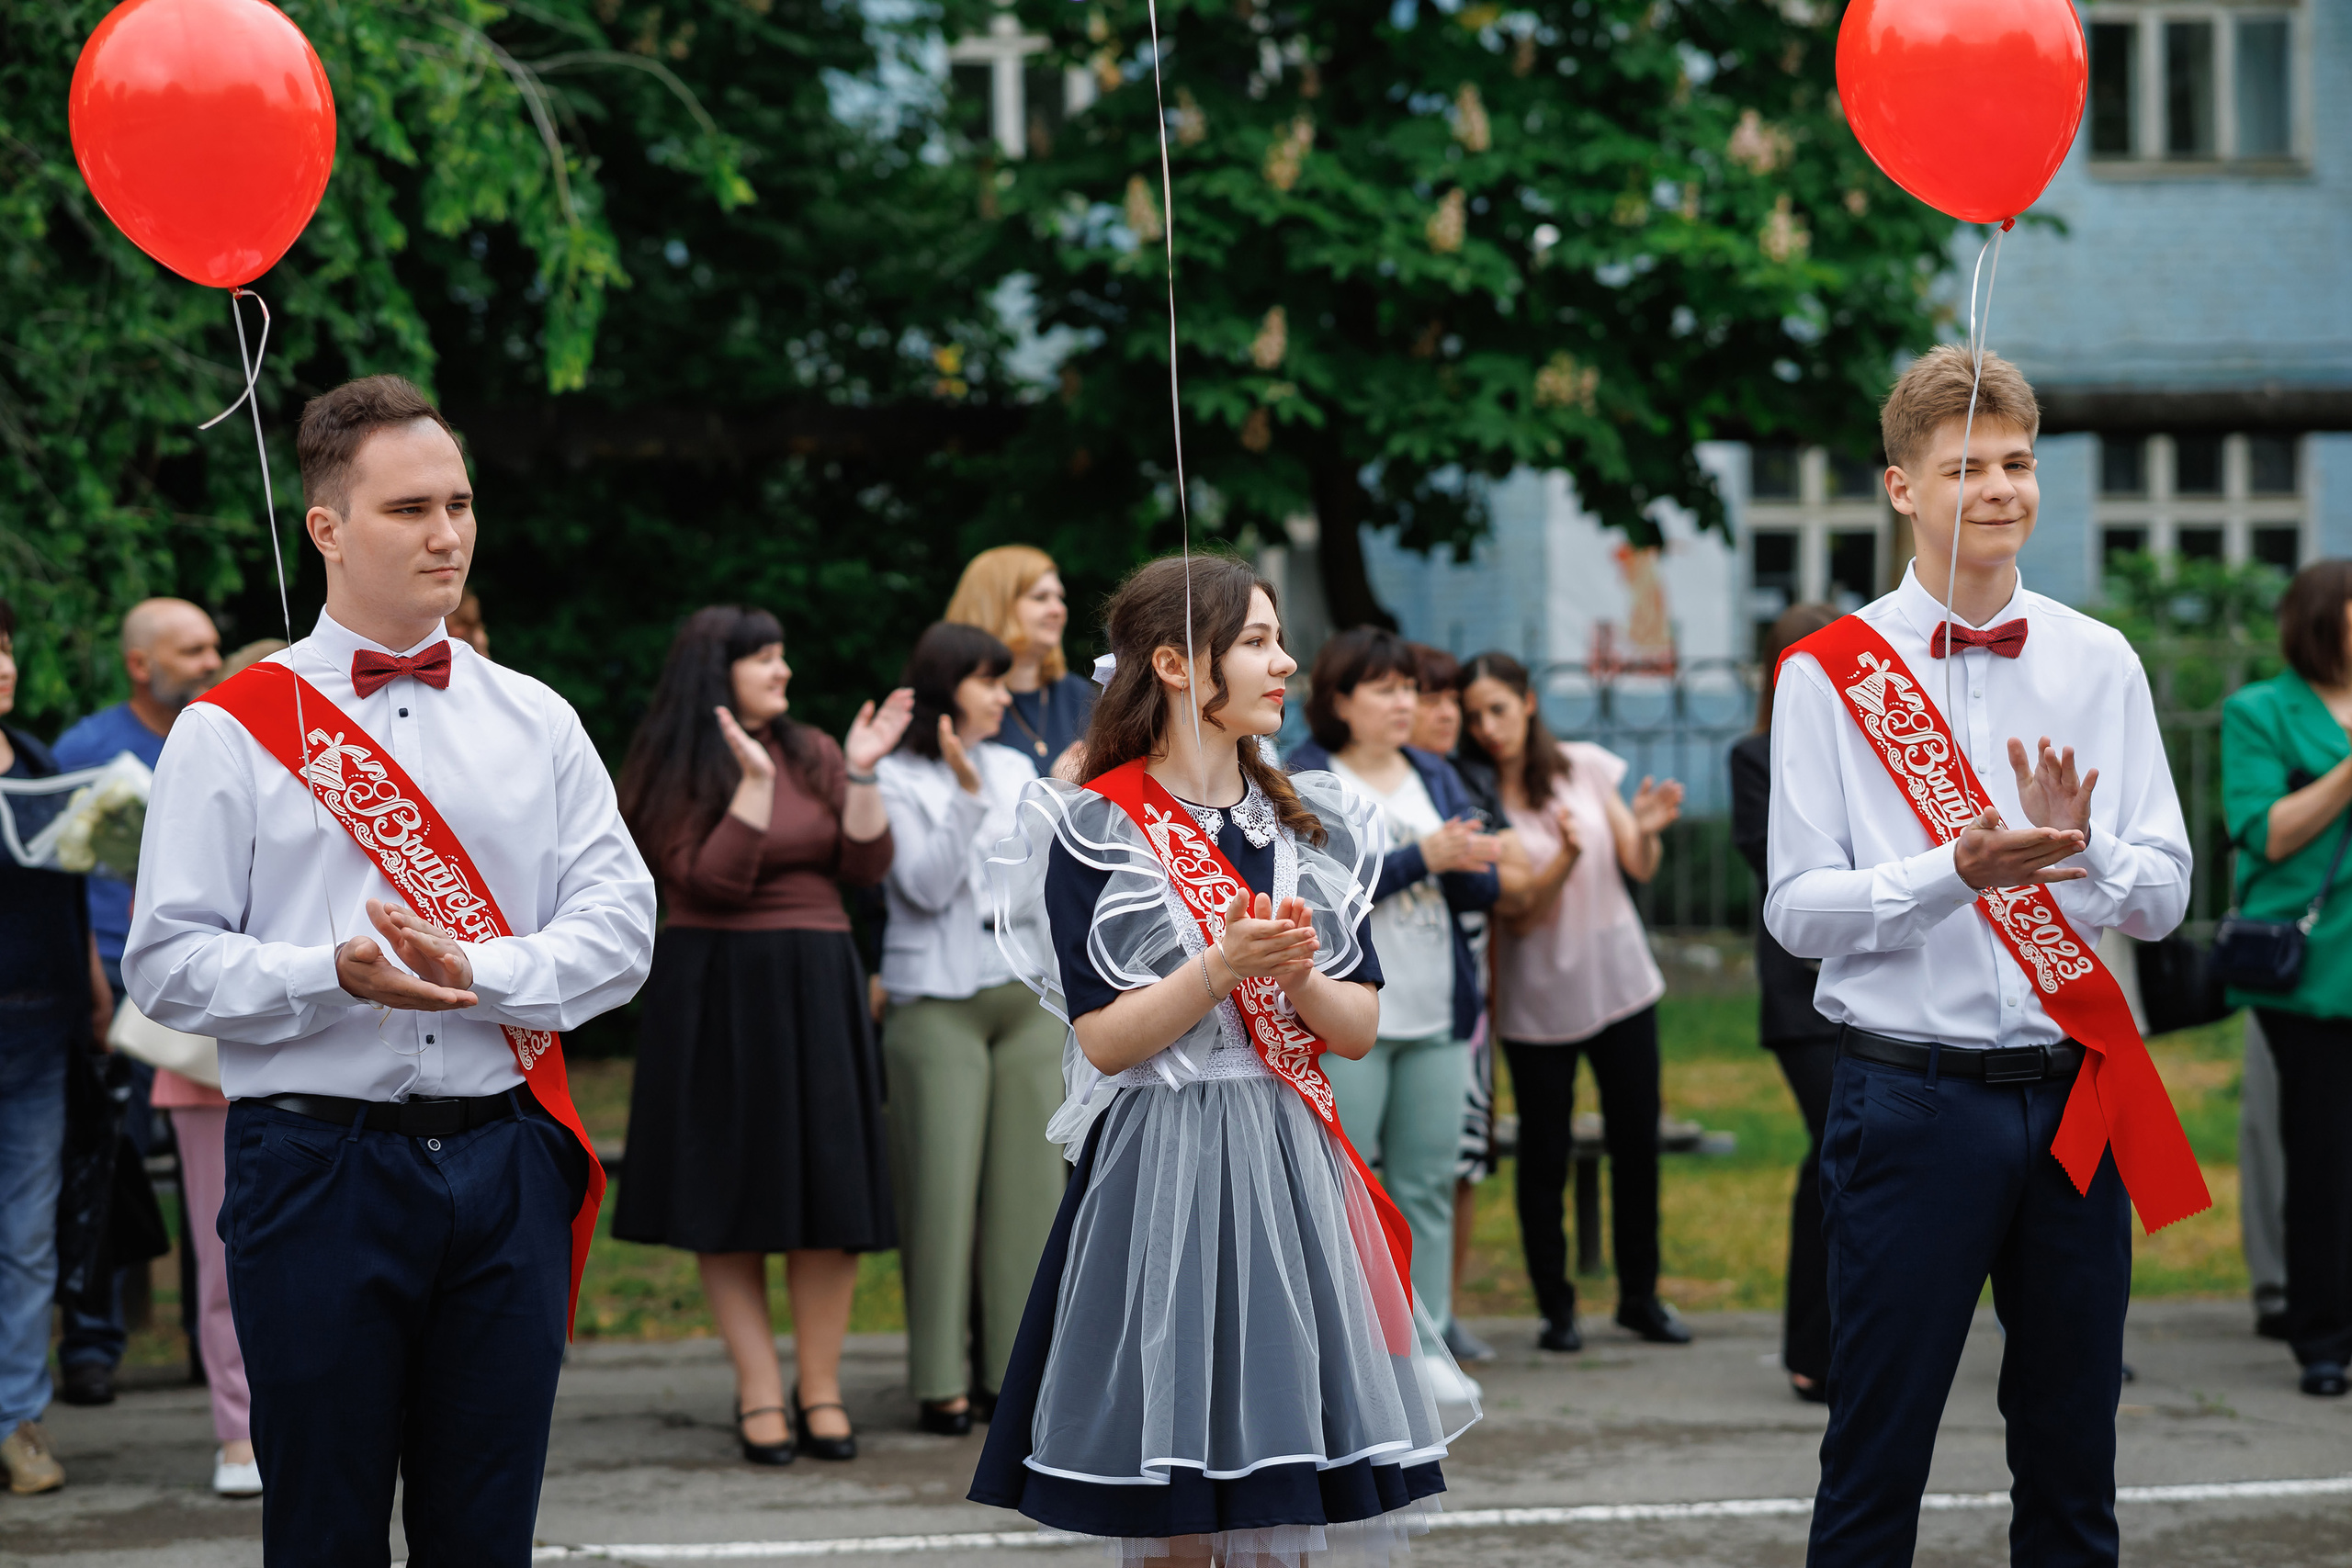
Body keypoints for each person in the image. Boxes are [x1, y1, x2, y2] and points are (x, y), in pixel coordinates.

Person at [126, 375, 657, 1562]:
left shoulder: (537, 718)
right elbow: (166, 963)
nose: (447, 534)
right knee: (322, 1527)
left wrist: (483, 965)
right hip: (316, 1164)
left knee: (488, 1532)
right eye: (410, 508)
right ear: (326, 527)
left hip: (505, 1157)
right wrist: (329, 973)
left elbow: (623, 931)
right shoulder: (229, 728)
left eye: (459, 504)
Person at [1768, 346, 2199, 1565]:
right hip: (1909, 1100)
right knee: (1876, 1455)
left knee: (2072, 1456)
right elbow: (1797, 911)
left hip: (2074, 1097)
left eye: (2018, 462)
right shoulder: (1828, 674)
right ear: (1902, 487)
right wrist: (1950, 872)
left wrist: (2081, 850)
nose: (2002, 488)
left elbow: (2165, 898)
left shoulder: (2099, 659)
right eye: (1967, 467)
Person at [970, 555, 1477, 1558]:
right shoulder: (1098, 825)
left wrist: (1293, 976)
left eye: (1277, 639)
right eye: (1255, 642)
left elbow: (1356, 1028)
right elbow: (1105, 1039)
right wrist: (1218, 969)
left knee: (1291, 1481)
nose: (1284, 662)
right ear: (1173, 664)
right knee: (1178, 1501)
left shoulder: (1308, 822)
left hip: (1290, 1162)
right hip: (1161, 1167)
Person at [612, 607, 911, 1464]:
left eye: (783, 655)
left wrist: (860, 771)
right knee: (729, 1194)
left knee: (829, 1195)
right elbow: (713, 882)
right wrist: (750, 784)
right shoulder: (672, 762)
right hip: (718, 987)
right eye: (764, 658)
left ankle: (820, 1387)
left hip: (818, 980)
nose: (784, 671)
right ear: (718, 672)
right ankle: (757, 1388)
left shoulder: (812, 749)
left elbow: (867, 866)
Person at [1455, 651, 1688, 1352]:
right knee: (1545, 1155)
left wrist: (1644, 828)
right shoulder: (1475, 798)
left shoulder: (1584, 765)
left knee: (1636, 1144)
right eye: (1474, 715)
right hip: (1537, 1001)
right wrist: (1562, 857)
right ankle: (1556, 1308)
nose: (1487, 726)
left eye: (1498, 708)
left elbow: (1635, 863)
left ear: (1528, 703)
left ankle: (1640, 1297)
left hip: (1621, 984)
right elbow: (1521, 915)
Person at [1285, 627, 1499, 1363]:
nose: (1405, 702)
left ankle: (1426, 1347)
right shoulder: (1305, 775)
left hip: (1439, 1009)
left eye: (1409, 687)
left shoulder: (1434, 771)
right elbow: (1315, 888)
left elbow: (1480, 888)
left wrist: (1471, 863)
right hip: (1348, 1014)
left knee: (1428, 1184)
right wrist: (1421, 858)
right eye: (1385, 689)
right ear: (1340, 701)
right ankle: (1349, 1349)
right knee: (1344, 1184)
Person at [874, 623, 1062, 1436]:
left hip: (1024, 990)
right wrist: (964, 796)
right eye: (987, 681)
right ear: (946, 688)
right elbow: (922, 886)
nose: (1001, 696)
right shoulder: (894, 773)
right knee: (940, 1194)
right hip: (936, 996)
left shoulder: (1017, 766)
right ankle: (939, 1379)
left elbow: (1045, 878)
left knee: (1029, 1193)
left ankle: (1010, 1377)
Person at [51, 596, 222, 1407]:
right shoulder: (84, 748)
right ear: (139, 664)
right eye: (191, 650)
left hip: (203, 979)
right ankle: (92, 1345)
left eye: (214, 646)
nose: (210, 662)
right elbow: (58, 873)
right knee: (108, 1162)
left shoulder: (225, 730)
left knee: (213, 1168)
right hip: (113, 980)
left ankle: (212, 1343)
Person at [142, 637, 282, 1499]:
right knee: (223, 1252)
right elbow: (172, 934)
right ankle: (237, 1426)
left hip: (314, 1060)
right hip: (206, 1066)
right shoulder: (210, 755)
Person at [2221, 557, 2352, 1398]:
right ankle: (2323, 1335)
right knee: (2324, 1154)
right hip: (2311, 973)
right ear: (2323, 618)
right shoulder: (2260, 711)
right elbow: (2264, 830)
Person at [0, 599, 112, 1496]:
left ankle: (15, 1421)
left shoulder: (38, 765)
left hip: (39, 1032)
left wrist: (97, 987)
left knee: (28, 1236)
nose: (3, 665)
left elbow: (69, 895)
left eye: (4, 648)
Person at [1730, 602, 1842, 1404]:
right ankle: (1813, 1345)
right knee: (1837, 1147)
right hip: (1804, 989)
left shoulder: (1877, 751)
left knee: (1863, 1156)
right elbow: (1776, 862)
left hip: (1878, 982)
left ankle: (1854, 1336)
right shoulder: (1755, 755)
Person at [944, 546, 1095, 774]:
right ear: (995, 606)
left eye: (1059, 598)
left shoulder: (1081, 695)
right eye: (1040, 598)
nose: (1058, 610)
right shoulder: (957, 701)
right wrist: (1057, 787)